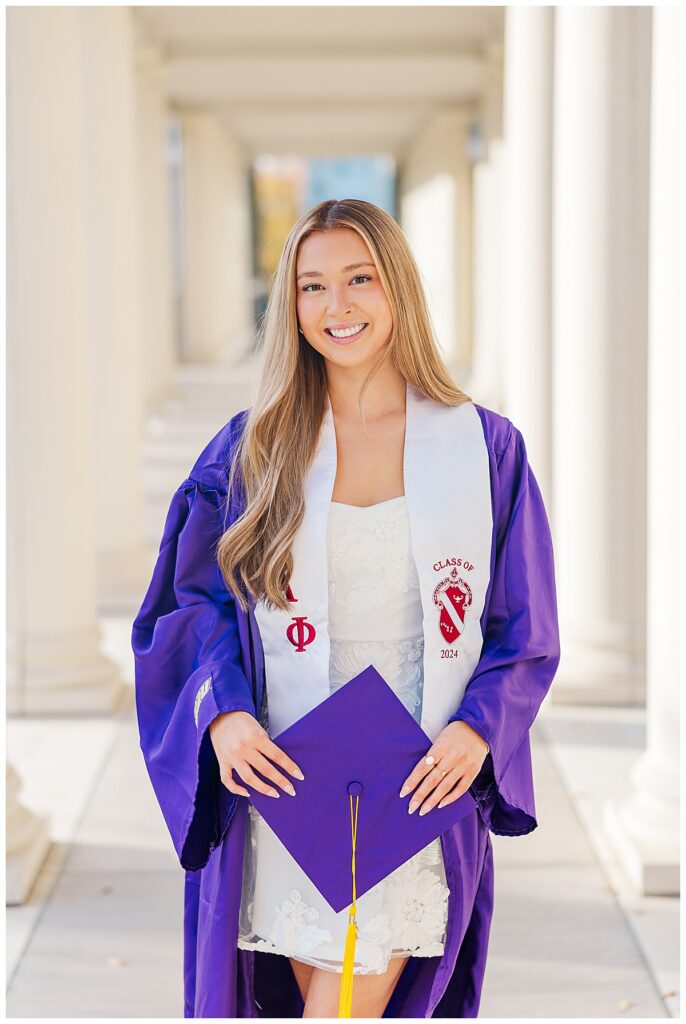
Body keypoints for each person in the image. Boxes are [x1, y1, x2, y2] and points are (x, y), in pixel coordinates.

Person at [132, 198, 561, 1018]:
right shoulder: (252, 447)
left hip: (415, 782)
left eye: (360, 278)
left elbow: (525, 628)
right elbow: (189, 604)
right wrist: (221, 715)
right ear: (289, 306)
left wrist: (479, 727)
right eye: (312, 286)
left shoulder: (483, 448)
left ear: (397, 285)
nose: (338, 307)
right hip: (286, 780)